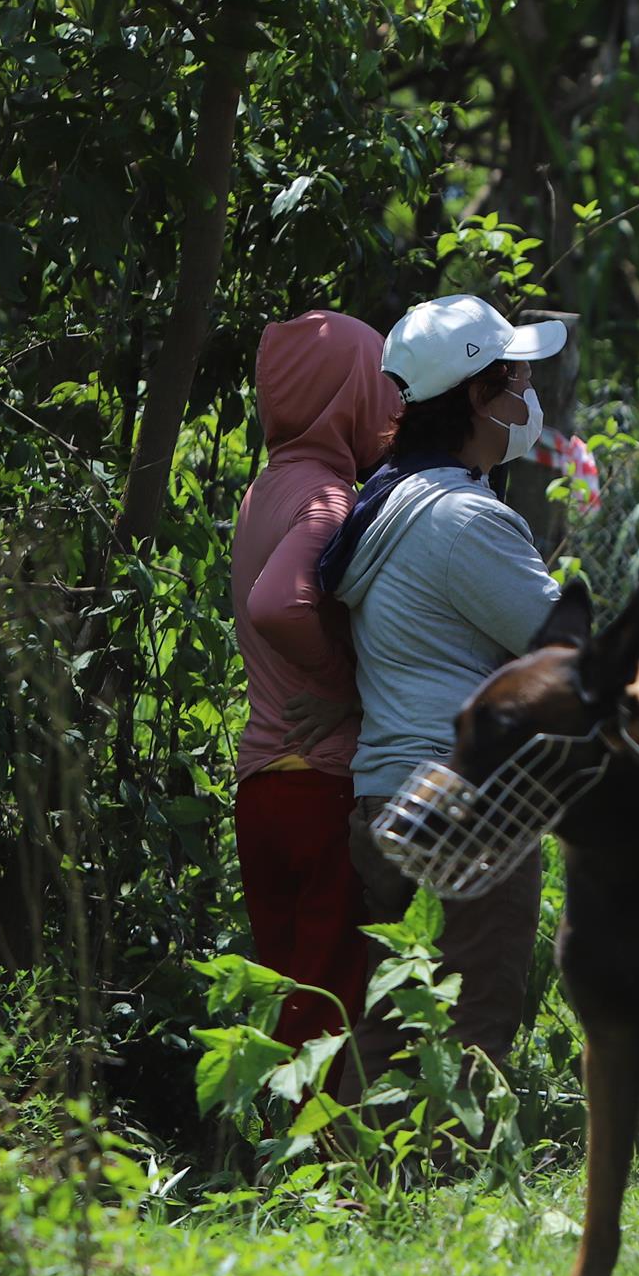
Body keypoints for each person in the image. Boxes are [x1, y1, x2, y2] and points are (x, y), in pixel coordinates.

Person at [326, 293, 568, 1080]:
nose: (530, 400)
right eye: (517, 382)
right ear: (475, 395)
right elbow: (570, 651)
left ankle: (352, 1186)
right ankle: (445, 1184)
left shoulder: (384, 502)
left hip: (386, 797)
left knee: (393, 1021)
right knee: (471, 1024)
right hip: (471, 802)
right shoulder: (465, 518)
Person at [231, 311, 400, 1047]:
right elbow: (279, 605)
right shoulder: (327, 499)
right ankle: (326, 1159)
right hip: (318, 784)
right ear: (349, 397)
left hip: (261, 786)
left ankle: (280, 1154)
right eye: (379, 388)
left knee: (290, 1004)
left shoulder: (263, 490)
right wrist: (346, 686)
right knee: (329, 1008)